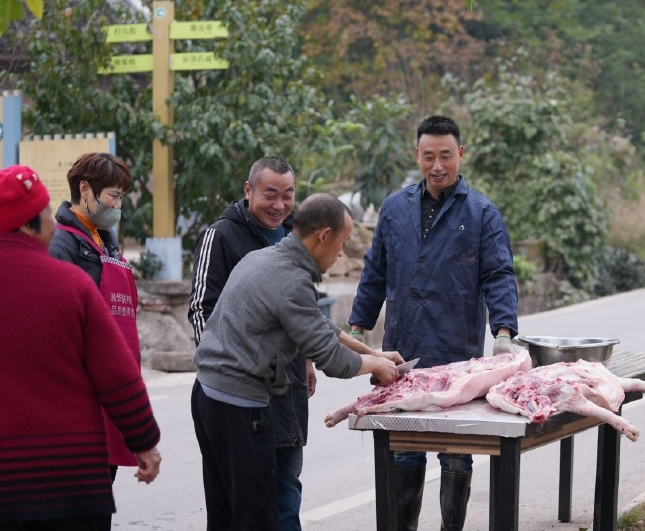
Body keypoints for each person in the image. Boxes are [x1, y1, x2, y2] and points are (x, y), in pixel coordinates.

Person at [346, 115, 520, 531]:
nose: (437, 165)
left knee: (456, 451)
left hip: (456, 354)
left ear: (461, 154)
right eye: (429, 156)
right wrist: (355, 329)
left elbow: (499, 275)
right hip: (400, 352)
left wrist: (504, 333)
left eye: (446, 155)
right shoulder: (394, 209)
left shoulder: (482, 214)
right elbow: (374, 273)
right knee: (404, 449)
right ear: (417, 156)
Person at [191, 193, 402, 531]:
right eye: (342, 243)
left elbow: (318, 327)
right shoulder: (290, 279)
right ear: (324, 235)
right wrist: (377, 369)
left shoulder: (265, 259)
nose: (340, 255)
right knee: (255, 518)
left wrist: (373, 353)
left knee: (225, 514)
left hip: (208, 397)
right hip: (239, 408)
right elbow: (331, 359)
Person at [0, 165, 162, 529]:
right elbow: (116, 373)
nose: (53, 223)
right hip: (71, 477)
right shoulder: (71, 283)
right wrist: (144, 440)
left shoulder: (104, 244)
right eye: (45, 215)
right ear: (29, 224)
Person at [189, 156, 318, 531]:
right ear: (248, 191)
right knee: (240, 505)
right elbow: (201, 310)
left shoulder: (298, 235)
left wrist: (307, 358)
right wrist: (225, 368)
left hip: (287, 389)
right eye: (269, 195)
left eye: (288, 195)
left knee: (286, 491)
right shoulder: (222, 236)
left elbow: (304, 311)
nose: (279, 205)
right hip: (238, 396)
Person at [48, 153, 140, 530]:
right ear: (85, 190)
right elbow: (58, 322)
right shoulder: (61, 246)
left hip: (112, 386)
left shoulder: (107, 243)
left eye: (121, 199)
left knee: (103, 490)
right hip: (80, 393)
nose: (117, 207)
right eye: (113, 197)